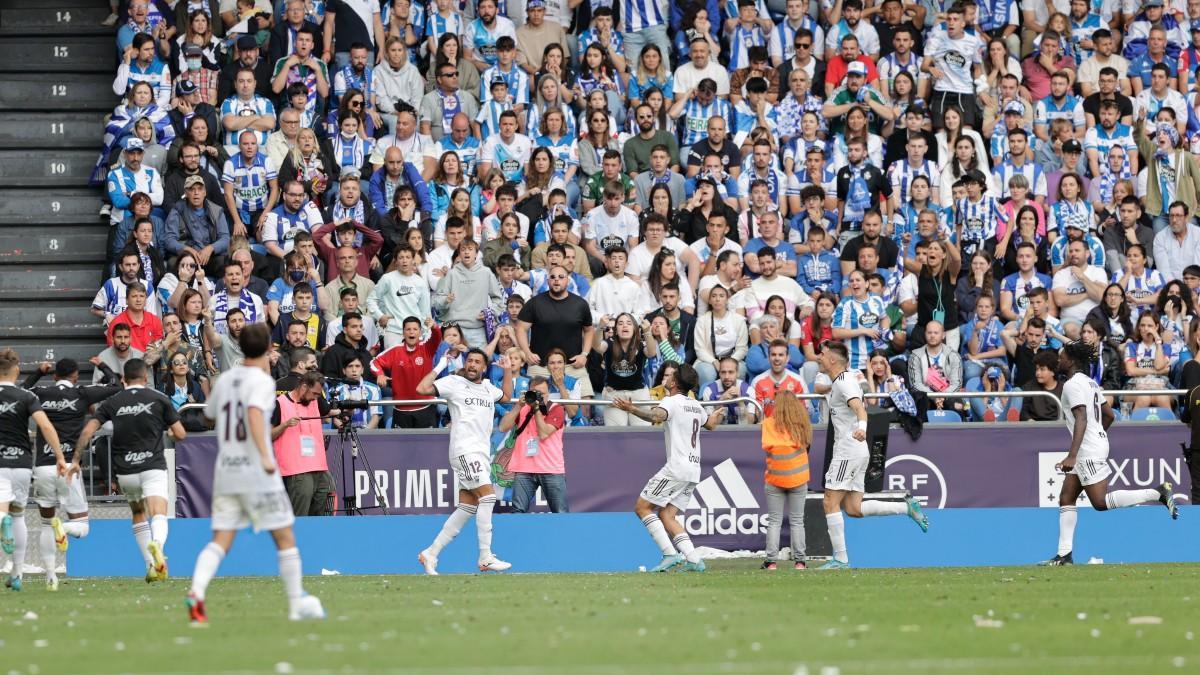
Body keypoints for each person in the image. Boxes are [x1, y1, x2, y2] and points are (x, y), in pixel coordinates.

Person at [186, 323, 324, 624]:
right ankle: (295, 604)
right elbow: (252, 413)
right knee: (285, 537)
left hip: (226, 469)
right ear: (267, 349)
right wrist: (265, 455)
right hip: (254, 469)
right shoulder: (262, 382)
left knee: (221, 538)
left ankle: (196, 592)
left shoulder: (224, 380)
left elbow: (209, 416)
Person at [1042, 340, 1179, 566]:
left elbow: (1082, 418)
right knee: (1067, 496)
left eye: (1062, 356)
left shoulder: (1072, 385)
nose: (1059, 360)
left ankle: (1158, 493)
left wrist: (1074, 455)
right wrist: (1097, 438)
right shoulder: (1090, 383)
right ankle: (1064, 554)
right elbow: (1110, 415)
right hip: (1094, 444)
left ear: (1072, 360)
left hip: (1086, 450)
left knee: (1100, 502)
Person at [817, 341, 927, 570]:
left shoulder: (844, 381)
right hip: (857, 450)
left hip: (848, 449)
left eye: (823, 354)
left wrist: (862, 428)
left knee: (830, 502)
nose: (819, 357)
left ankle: (841, 559)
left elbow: (859, 408)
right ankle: (905, 507)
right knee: (854, 509)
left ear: (833, 360)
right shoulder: (842, 381)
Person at [75, 359, 185, 583]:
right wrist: (171, 435)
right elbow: (180, 434)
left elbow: (88, 429)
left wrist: (76, 459)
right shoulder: (159, 398)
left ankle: (149, 565)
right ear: (146, 378)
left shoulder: (114, 401)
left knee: (138, 513)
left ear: (124, 380)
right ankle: (159, 549)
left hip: (125, 471)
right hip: (152, 465)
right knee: (159, 513)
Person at [614, 363, 724, 573]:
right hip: (693, 470)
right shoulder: (695, 404)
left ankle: (669, 553)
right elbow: (710, 425)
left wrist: (631, 409)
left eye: (670, 376)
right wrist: (716, 416)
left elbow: (656, 416)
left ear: (674, 382)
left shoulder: (671, 402)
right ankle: (694, 559)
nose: (667, 378)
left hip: (677, 468)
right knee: (667, 515)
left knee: (642, 507)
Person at [415, 349, 514, 574]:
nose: (472, 365)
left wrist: (507, 369)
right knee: (488, 497)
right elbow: (421, 389)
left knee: (467, 507)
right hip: (464, 450)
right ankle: (485, 556)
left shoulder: (489, 388)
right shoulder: (454, 382)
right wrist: (440, 365)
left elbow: (507, 396)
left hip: (480, 452)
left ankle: (431, 553)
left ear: (484, 367)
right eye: (470, 360)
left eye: (477, 362)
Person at [23, 359, 120, 590]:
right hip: (69, 468)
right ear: (76, 376)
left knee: (46, 524)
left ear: (55, 376)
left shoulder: (41, 393)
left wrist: (38, 372)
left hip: (44, 466)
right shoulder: (82, 392)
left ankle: (50, 577)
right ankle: (63, 526)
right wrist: (103, 366)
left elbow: (21, 391)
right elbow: (116, 386)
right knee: (82, 527)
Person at [0, 349, 69, 591]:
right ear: (16, 369)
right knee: (19, 514)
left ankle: (1, 519)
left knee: (2, 509)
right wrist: (60, 456)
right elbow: (45, 426)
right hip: (20, 462)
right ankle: (17, 572)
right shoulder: (26, 396)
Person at [499, 376, 568, 513]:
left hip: (550, 468)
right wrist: (518, 406)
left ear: (548, 393)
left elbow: (543, 433)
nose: (538, 397)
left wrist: (536, 409)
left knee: (561, 513)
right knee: (517, 511)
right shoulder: (522, 408)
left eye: (541, 394)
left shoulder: (556, 409)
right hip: (524, 468)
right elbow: (503, 427)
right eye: (534, 393)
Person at [760, 390, 811, 570]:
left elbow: (767, 447)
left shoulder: (767, 424)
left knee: (774, 521)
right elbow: (807, 446)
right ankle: (800, 562)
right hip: (798, 478)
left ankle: (771, 562)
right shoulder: (802, 424)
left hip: (775, 478)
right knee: (797, 521)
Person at [271, 371, 334, 517]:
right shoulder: (278, 403)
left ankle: (316, 539)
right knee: (300, 515)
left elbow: (331, 412)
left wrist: (346, 410)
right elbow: (267, 435)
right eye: (314, 393)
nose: (316, 398)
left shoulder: (315, 400)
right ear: (304, 387)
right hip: (296, 469)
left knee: (321, 510)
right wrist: (285, 425)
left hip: (319, 465)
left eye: (319, 394)